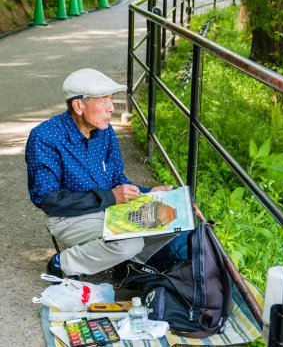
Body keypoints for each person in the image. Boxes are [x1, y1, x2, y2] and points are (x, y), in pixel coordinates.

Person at [25, 68, 174, 279]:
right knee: (129, 242)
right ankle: (63, 264)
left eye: (111, 100)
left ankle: (128, 267)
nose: (111, 108)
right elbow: (49, 200)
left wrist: (150, 193)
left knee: (168, 217)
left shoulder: (105, 132)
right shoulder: (45, 136)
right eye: (104, 101)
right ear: (78, 105)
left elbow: (117, 180)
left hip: (109, 207)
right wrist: (110, 197)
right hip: (69, 217)